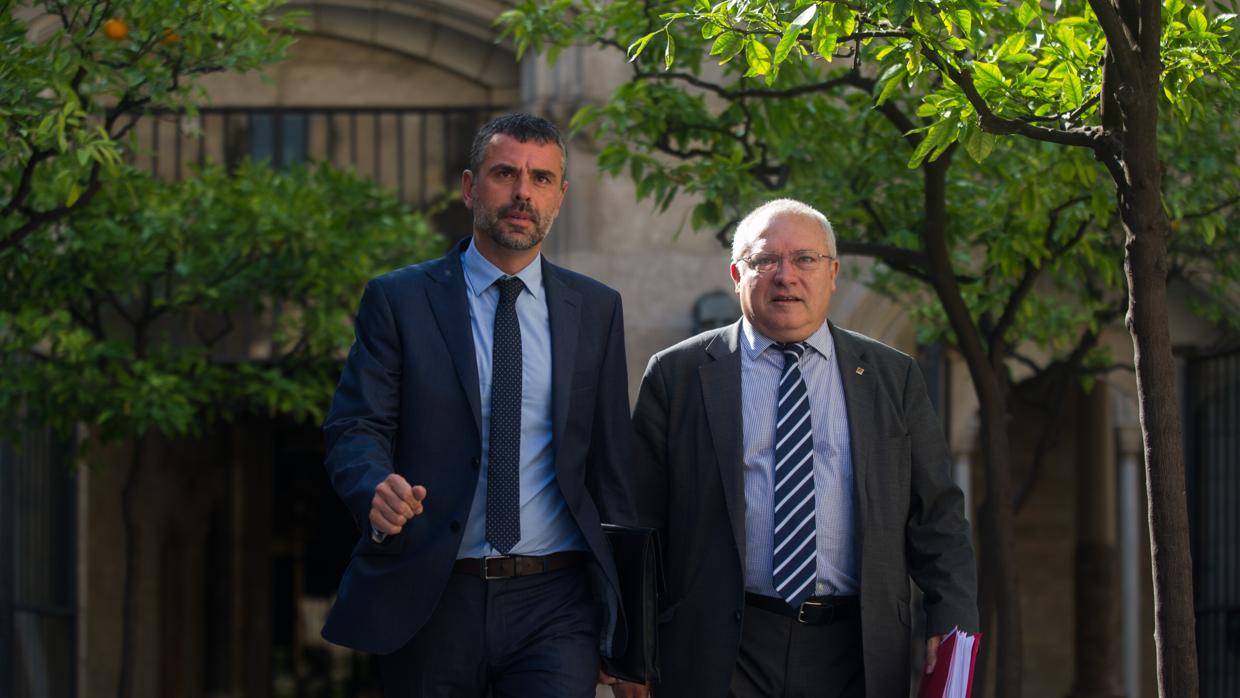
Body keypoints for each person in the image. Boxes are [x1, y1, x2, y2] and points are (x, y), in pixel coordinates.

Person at [321, 113, 636, 697]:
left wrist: (628, 635)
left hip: (557, 601)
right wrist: (373, 487)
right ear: (470, 187)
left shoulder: (596, 309)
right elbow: (356, 425)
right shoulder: (399, 300)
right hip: (433, 593)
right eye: (505, 174)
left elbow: (613, 467)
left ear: (560, 196)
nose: (523, 193)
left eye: (541, 178)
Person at [626, 199, 978, 697]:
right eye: (765, 260)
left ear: (832, 273)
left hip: (856, 648)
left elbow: (937, 516)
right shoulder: (677, 374)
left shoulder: (892, 377)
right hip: (722, 646)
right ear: (737, 274)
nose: (785, 276)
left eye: (805, 259)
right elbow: (641, 523)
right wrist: (632, 653)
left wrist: (952, 618)